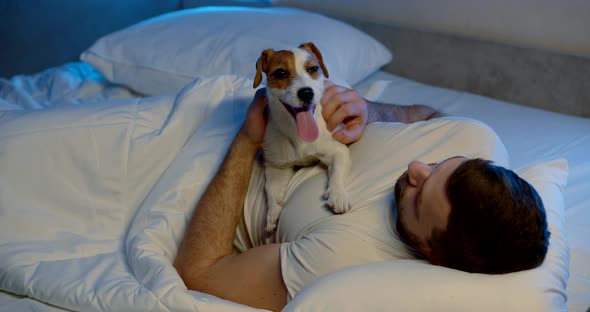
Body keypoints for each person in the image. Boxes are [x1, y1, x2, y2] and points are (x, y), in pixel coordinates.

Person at [174, 81, 550, 311]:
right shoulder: (475, 139)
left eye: (419, 196)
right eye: (439, 163)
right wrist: (369, 110)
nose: (416, 167)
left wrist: (248, 139)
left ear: (433, 255)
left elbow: (199, 274)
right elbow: (425, 116)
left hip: (209, 167)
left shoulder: (341, 261)